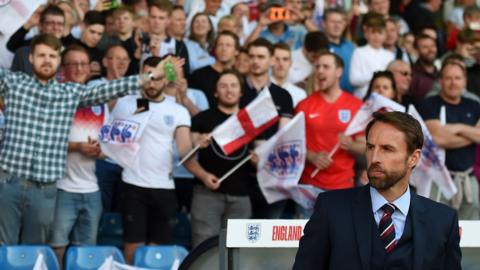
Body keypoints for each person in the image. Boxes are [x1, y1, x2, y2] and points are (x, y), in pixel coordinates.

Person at [0, 33, 166, 245]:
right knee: (3, 251)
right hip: (9, 183)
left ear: (59, 61)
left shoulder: (71, 93)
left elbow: (109, 88)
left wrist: (150, 76)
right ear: (31, 58)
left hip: (45, 189)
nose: (47, 60)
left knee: (35, 253)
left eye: (52, 55)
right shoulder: (14, 83)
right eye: (41, 55)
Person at [293, 111, 462, 270]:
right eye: (370, 147)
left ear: (413, 158)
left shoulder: (443, 221)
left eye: (387, 149)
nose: (374, 158)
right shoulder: (331, 209)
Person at [111, 56, 192, 263]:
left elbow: (185, 149)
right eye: (149, 76)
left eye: (157, 78)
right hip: (132, 184)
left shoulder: (178, 110)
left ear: (166, 80)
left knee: (158, 251)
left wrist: (198, 143)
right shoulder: (125, 104)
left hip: (164, 187)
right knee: (132, 246)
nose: (152, 82)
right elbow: (113, 139)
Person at [49, 45, 105, 268]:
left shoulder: (99, 101)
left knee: (87, 252)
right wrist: (78, 147)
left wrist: (100, 151)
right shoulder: (55, 98)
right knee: (57, 247)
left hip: (92, 190)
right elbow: (46, 141)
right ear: (63, 69)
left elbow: (106, 143)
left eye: (84, 64)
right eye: (74, 64)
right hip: (62, 188)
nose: (80, 68)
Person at [187, 70, 252, 247]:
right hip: (206, 195)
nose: (229, 90)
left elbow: (260, 154)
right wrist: (203, 175)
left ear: (241, 91)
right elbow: (187, 157)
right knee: (204, 250)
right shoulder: (201, 119)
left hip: (241, 196)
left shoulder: (251, 121)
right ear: (215, 92)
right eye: (223, 86)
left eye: (233, 86)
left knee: (237, 253)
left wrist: (258, 158)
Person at [296, 52, 365, 193]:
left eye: (326, 67)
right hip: (309, 185)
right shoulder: (303, 105)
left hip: (343, 186)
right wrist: (312, 156)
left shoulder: (356, 105)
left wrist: (350, 145)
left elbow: (364, 146)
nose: (320, 71)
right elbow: (292, 145)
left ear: (339, 72)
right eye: (317, 67)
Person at [421, 60, 480, 220]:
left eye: (457, 78)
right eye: (448, 78)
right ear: (440, 81)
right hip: (438, 179)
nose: (453, 83)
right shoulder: (430, 104)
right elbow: (438, 139)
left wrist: (458, 128)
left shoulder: (474, 105)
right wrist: (471, 134)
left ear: (465, 81)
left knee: (471, 236)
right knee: (436, 231)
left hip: (468, 179)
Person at [350, 12, 395, 98]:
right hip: (362, 98)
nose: (376, 36)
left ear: (385, 35)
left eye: (380, 33)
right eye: (373, 32)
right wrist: (375, 75)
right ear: (366, 34)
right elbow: (353, 79)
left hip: (385, 99)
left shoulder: (390, 55)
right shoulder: (359, 52)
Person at [189, 31, 240, 107]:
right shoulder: (198, 75)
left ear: (236, 51)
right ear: (215, 49)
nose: (223, 49)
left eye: (228, 45)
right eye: (220, 45)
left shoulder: (240, 77)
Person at [323, 8, 355, 93]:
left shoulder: (351, 47)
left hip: (349, 97)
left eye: (340, 22)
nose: (337, 26)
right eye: (333, 22)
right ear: (324, 24)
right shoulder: (319, 46)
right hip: (325, 97)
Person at [271, 43, 307, 107]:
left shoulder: (300, 94)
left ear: (290, 63)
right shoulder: (260, 90)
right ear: (270, 61)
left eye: (285, 59)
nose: (281, 64)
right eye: (277, 59)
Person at [409, 34, 439, 105]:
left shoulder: (441, 73)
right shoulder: (411, 74)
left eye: (433, 46)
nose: (431, 50)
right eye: (425, 47)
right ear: (416, 50)